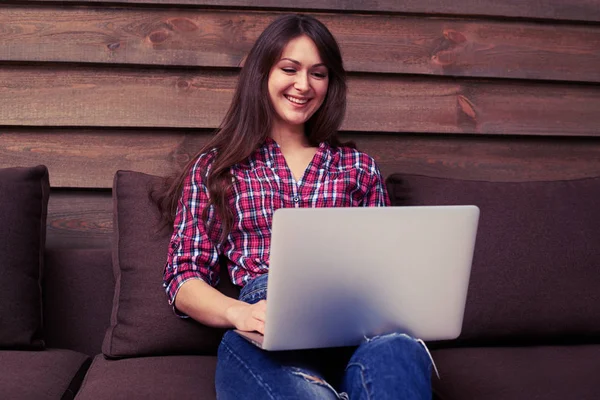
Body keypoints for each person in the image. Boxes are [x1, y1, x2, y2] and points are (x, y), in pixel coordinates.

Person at [158, 14, 433, 399]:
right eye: (290, 69)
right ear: (262, 74)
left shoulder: (359, 168)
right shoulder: (218, 168)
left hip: (355, 326)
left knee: (400, 350)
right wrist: (238, 313)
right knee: (245, 351)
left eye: (318, 74)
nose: (303, 85)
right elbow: (182, 277)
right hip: (265, 328)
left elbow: (386, 274)